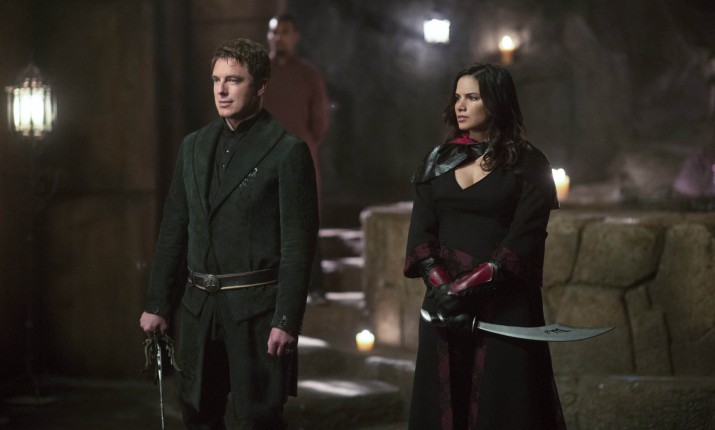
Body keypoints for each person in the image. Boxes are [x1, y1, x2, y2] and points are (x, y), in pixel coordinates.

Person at [139, 38, 319, 429]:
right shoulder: (193, 147)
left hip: (257, 313)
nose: (221, 90)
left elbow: (298, 246)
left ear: (260, 86)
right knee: (198, 416)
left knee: (260, 420)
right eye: (216, 80)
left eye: (233, 80)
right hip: (198, 310)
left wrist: (287, 320)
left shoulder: (287, 152)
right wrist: (158, 303)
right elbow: (174, 230)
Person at [403, 63, 566, 429]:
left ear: (496, 102)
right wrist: (444, 291)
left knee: (504, 407)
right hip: (442, 309)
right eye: (457, 97)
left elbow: (524, 239)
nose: (460, 106)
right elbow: (421, 237)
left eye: (472, 97)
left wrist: (462, 290)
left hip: (504, 307)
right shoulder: (436, 161)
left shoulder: (529, 163)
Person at [263, 14, 330, 304]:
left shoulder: (308, 75)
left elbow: (320, 121)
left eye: (285, 32)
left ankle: (315, 286)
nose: (279, 37)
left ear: (295, 36)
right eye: (274, 32)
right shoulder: (258, 73)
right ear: (269, 36)